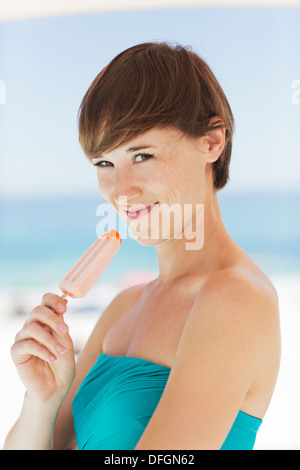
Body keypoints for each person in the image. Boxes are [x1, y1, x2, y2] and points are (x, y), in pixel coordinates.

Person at [5, 42, 280, 450]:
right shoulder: (123, 306)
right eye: (104, 163)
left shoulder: (235, 299)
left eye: (142, 155)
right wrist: (43, 401)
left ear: (212, 141)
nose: (121, 191)